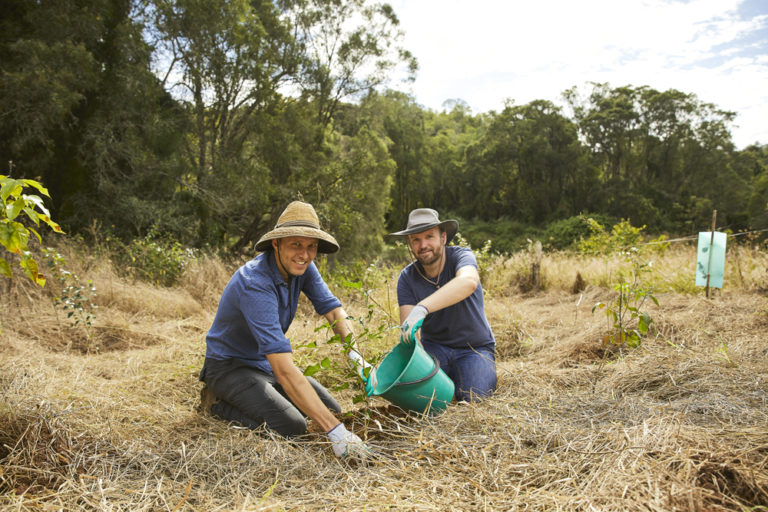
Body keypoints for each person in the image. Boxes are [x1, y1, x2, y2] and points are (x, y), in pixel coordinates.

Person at [199, 201, 369, 459]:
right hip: (229, 367)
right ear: (276, 244)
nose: (305, 254)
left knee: (331, 410)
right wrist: (335, 431)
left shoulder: (303, 267)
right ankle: (217, 405)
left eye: (311, 246)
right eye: (296, 244)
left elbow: (334, 312)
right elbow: (284, 369)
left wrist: (357, 358)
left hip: (264, 365)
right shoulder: (255, 283)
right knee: (294, 427)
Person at [389, 208, 497, 402]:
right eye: (416, 239)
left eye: (429, 236)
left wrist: (422, 308)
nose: (423, 245)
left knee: (474, 398)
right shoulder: (407, 277)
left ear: (443, 237)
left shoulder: (461, 257)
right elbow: (410, 335)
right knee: (426, 400)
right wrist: (422, 371)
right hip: (435, 349)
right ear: (410, 244)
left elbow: (468, 282)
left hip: (474, 347)